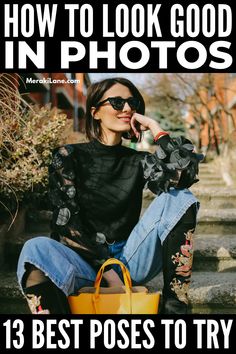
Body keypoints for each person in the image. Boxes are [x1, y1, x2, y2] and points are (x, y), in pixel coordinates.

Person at [17, 77, 203, 314]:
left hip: (131, 260)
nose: (127, 108)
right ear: (95, 112)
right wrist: (105, 269)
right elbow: (66, 224)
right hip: (82, 262)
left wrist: (157, 130)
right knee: (34, 249)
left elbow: (184, 175)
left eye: (131, 102)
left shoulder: (139, 161)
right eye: (116, 102)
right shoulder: (68, 156)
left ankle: (175, 308)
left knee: (180, 197)